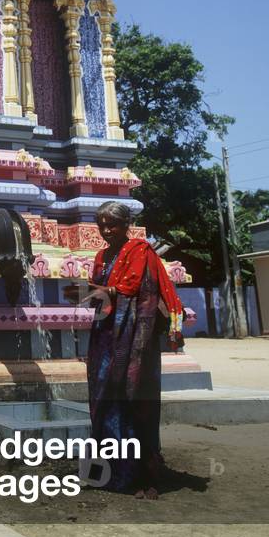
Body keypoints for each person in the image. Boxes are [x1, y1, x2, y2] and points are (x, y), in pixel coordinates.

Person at [83, 200, 184, 498]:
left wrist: (108, 292)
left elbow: (141, 290)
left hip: (134, 338)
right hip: (105, 337)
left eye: (112, 224)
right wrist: (91, 294)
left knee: (134, 400)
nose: (106, 230)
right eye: (101, 224)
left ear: (127, 225)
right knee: (105, 401)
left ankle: (145, 476)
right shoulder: (102, 255)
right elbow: (102, 294)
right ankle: (112, 473)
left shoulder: (139, 250)